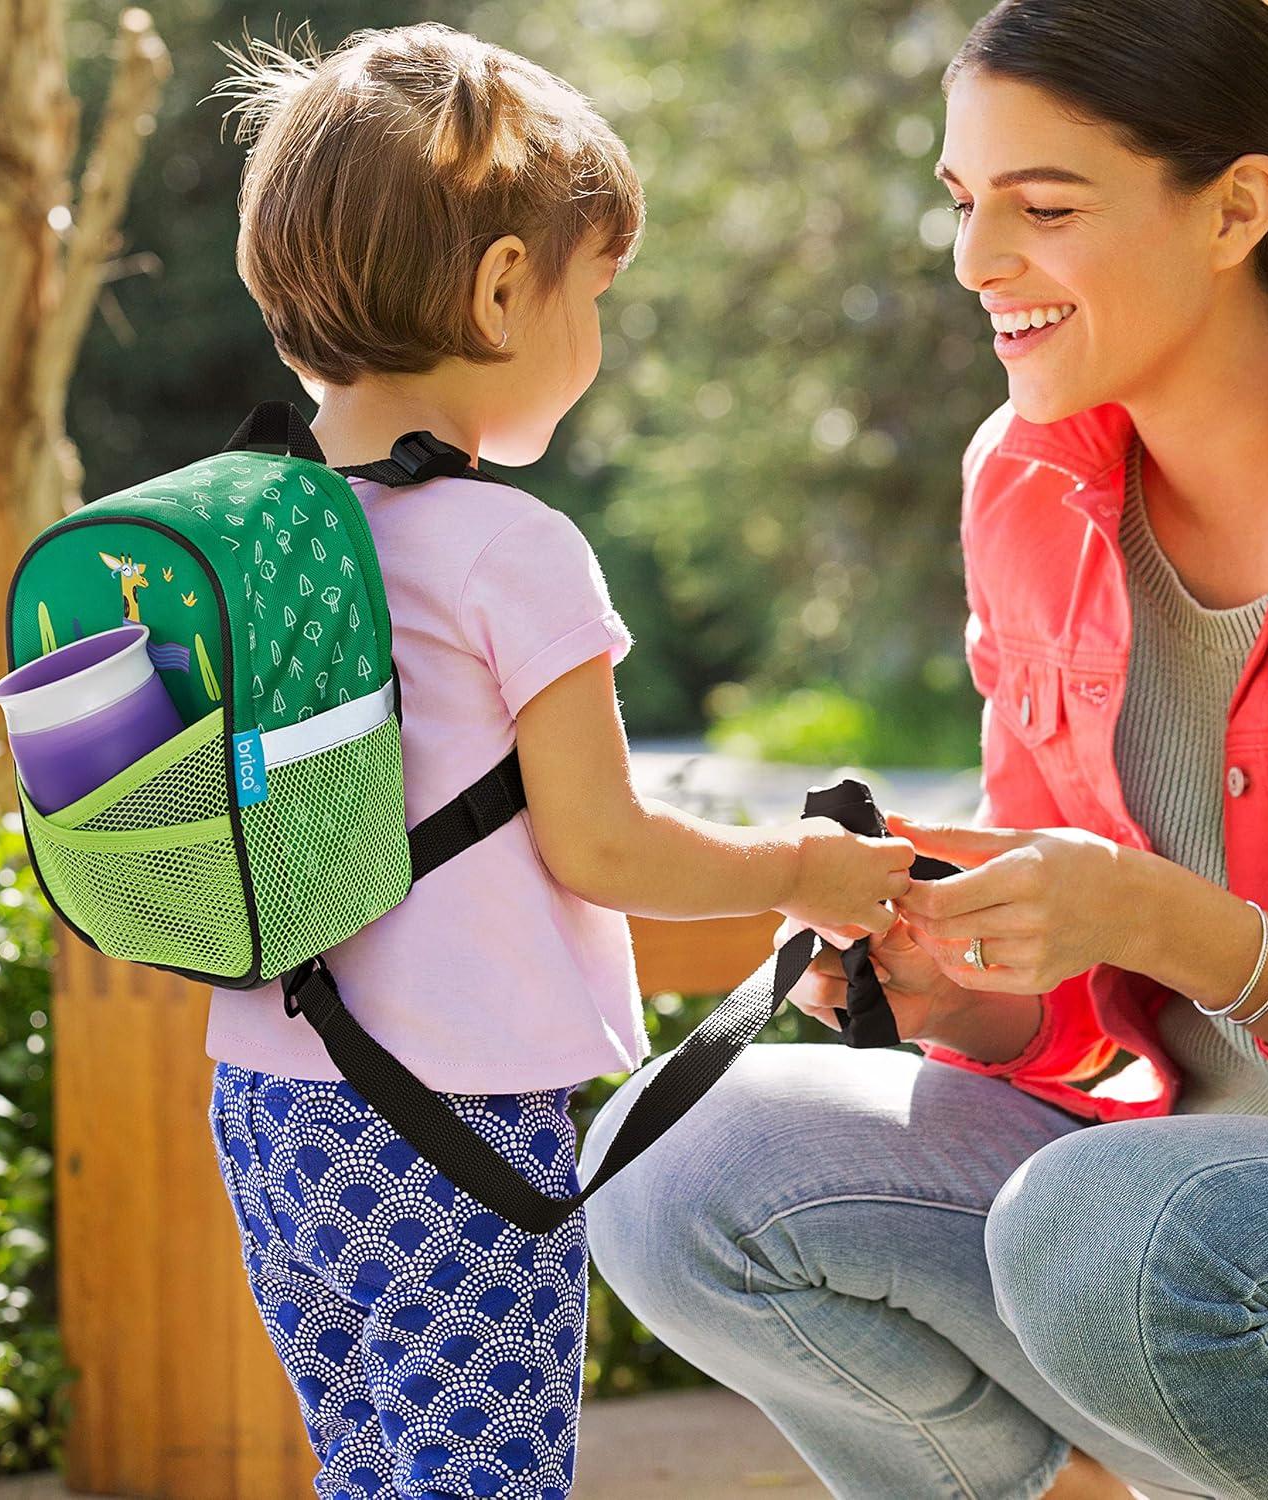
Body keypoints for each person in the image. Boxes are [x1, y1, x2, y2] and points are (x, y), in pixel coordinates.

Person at [579, 2, 1268, 1496]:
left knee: (1105, 1224)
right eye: (963, 201)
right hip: (1148, 1227)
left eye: (1044, 207)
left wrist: (1188, 931)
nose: (974, 260)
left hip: (1205, 1234)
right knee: (677, 1156)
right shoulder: (1021, 485)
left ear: (1237, 209)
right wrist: (959, 987)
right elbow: (1077, 1025)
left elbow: (1161, 962)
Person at [199, 23, 916, 1500]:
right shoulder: (509, 549)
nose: (597, 334)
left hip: (269, 1101)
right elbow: (601, 846)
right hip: (448, 1116)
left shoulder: (253, 536)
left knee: (373, 1468)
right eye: (597, 293)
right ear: (505, 287)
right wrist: (803, 873)